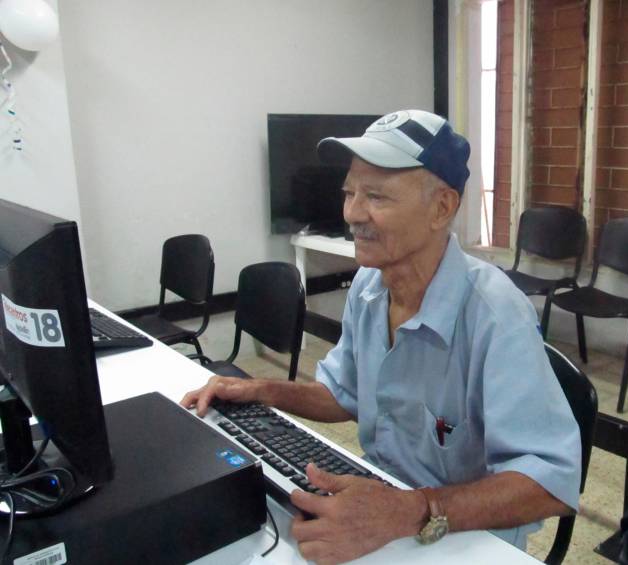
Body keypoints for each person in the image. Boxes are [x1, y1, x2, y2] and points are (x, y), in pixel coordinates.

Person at [181, 109, 581, 564]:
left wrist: (409, 510)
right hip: (381, 509)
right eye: (349, 192)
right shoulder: (370, 288)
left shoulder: (496, 316)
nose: (352, 213)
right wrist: (259, 390)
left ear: (442, 208)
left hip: (464, 538)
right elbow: (342, 394)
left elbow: (551, 483)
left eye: (376, 196)